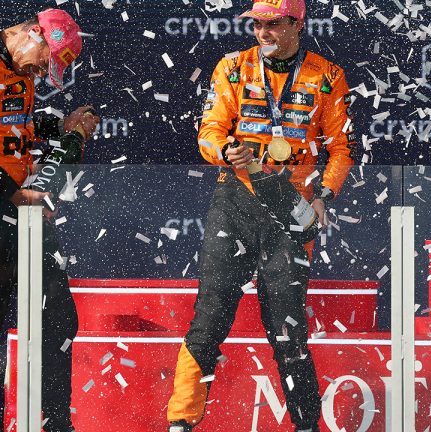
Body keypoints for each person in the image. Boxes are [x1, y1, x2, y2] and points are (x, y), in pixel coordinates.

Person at [166, 0, 357, 431]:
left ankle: (306, 425)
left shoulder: (327, 75)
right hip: (235, 201)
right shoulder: (233, 67)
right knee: (209, 319)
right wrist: (224, 150)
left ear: (296, 24)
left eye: (272, 24)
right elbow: (209, 131)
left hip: (292, 210)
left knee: (288, 330)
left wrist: (324, 195)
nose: (262, 33)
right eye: (257, 24)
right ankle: (180, 422)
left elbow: (341, 149)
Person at [0, 8, 99, 432]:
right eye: (44, 63)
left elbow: (14, 129)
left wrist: (61, 126)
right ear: (33, 35)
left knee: (58, 314)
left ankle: (55, 421)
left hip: (23, 202)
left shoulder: (18, 70)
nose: (41, 72)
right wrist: (11, 192)